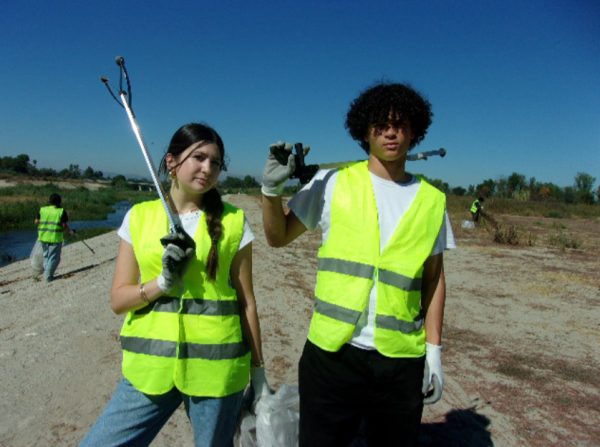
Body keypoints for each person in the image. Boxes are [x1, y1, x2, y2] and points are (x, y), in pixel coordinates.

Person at [261, 82, 455, 446]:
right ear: (364, 131)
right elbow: (277, 236)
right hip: (332, 357)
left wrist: (434, 351)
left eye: (400, 124)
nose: (391, 132)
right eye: (380, 124)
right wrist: (271, 192)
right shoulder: (331, 183)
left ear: (415, 131)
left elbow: (434, 280)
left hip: (399, 362)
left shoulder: (433, 201)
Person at [81, 123, 271, 447]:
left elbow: (247, 302)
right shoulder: (138, 217)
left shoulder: (234, 221)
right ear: (171, 161)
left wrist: (259, 373)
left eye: (215, 162)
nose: (207, 168)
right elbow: (118, 300)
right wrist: (161, 283)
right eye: (198, 157)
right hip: (149, 369)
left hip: (217, 370)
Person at [34, 193, 74, 281]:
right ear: (59, 202)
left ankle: (46, 272)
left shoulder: (42, 210)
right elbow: (64, 226)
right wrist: (70, 231)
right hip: (55, 238)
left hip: (43, 237)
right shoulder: (61, 211)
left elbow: (36, 222)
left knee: (46, 256)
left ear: (49, 201)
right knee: (54, 258)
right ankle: (48, 276)